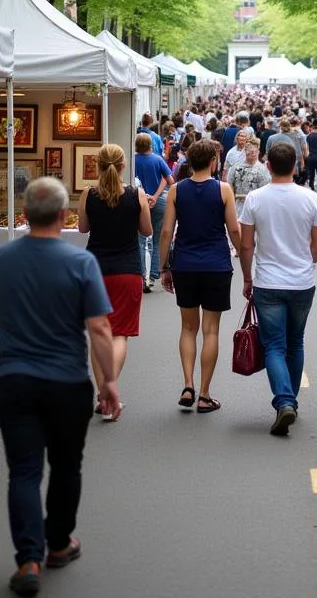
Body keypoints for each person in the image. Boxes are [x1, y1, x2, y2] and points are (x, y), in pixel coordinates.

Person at [0, 178, 120, 595]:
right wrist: (109, 380)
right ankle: (58, 543)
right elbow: (98, 325)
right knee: (65, 465)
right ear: (65, 217)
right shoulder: (80, 263)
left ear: (23, 214)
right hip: (66, 381)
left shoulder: (1, 258)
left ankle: (28, 560)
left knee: (23, 471)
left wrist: (21, 332)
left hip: (14, 379)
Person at [238, 142, 317, 435]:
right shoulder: (311, 199)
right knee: (295, 342)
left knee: (274, 345)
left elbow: (246, 244)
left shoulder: (254, 199)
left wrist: (247, 276)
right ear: (296, 166)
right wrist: (306, 263)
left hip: (268, 281)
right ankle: (291, 401)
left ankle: (284, 400)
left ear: (267, 166)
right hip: (302, 282)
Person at [159, 139, 242, 413]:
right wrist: (245, 258)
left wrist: (164, 267)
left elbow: (166, 232)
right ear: (213, 162)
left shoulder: (176, 190)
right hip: (216, 264)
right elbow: (234, 229)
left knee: (188, 328)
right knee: (211, 330)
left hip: (185, 264)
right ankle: (205, 394)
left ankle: (187, 384)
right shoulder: (223, 190)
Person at [77, 144, 152, 420]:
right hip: (127, 271)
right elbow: (147, 230)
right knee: (119, 334)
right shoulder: (136, 195)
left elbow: (82, 228)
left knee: (98, 333)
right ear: (123, 166)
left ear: (98, 165)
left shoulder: (89, 194)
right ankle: (111, 390)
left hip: (94, 269)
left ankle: (102, 395)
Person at [134, 133, 174, 294]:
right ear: (151, 145)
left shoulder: (133, 160)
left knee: (141, 239)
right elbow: (170, 180)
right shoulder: (158, 160)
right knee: (157, 238)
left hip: (138, 201)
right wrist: (156, 196)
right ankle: (154, 273)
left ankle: (143, 274)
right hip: (157, 203)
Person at [227, 137, 271, 217]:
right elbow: (230, 187)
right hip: (237, 207)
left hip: (255, 208)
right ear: (245, 150)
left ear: (258, 151)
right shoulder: (235, 167)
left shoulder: (263, 170)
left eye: (253, 150)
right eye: (248, 149)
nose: (251, 153)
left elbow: (264, 192)